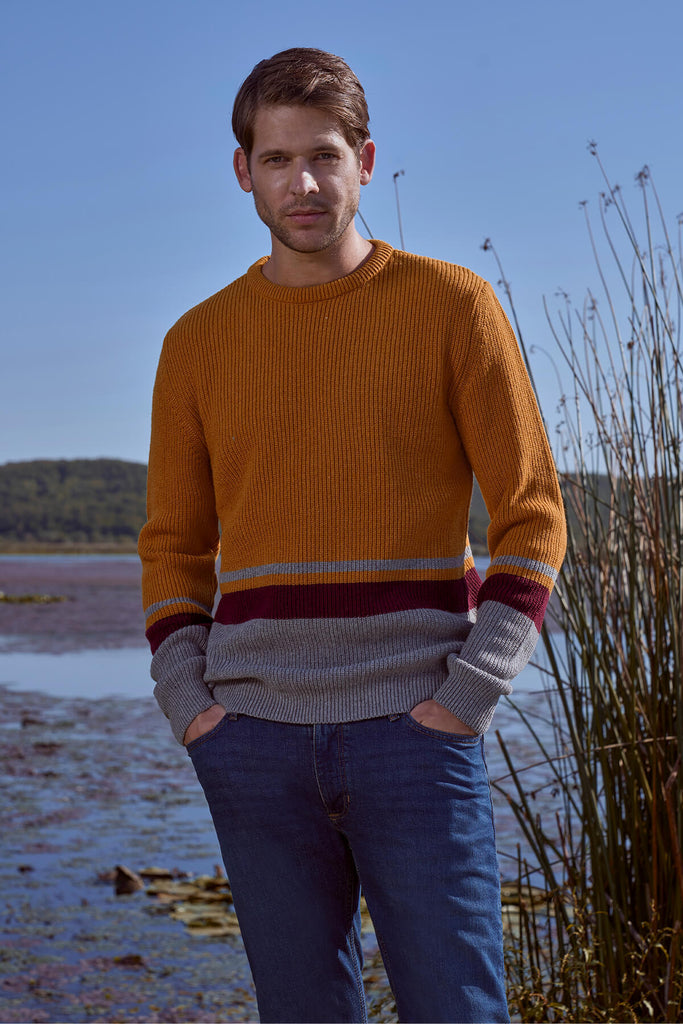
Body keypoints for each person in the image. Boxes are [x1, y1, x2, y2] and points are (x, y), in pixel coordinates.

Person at [138, 47, 566, 1024]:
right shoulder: (195, 343)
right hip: (251, 741)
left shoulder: (452, 306)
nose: (303, 183)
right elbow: (172, 547)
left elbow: (532, 511)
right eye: (277, 158)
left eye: (323, 156)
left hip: (416, 730)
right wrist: (193, 709)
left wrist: (466, 695)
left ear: (364, 162)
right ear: (243, 171)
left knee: (458, 1008)